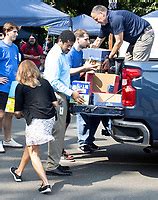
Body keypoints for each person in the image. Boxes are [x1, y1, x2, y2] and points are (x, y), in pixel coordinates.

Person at [10, 60, 58, 194]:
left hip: (36, 121)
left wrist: (18, 115)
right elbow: (55, 103)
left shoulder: (21, 87)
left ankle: (46, 183)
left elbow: (18, 112)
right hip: (49, 119)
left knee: (34, 152)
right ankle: (18, 171)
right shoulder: (45, 83)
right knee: (31, 145)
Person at [44, 30, 84, 176]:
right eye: (68, 45)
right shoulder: (55, 56)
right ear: (61, 41)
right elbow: (53, 81)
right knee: (58, 130)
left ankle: (54, 162)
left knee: (60, 131)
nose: (69, 48)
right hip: (58, 96)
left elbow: (64, 75)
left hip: (62, 95)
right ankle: (52, 165)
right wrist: (70, 92)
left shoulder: (61, 55)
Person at [67, 29, 108, 153]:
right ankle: (83, 142)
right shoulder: (70, 54)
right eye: (85, 39)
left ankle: (89, 140)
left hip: (84, 86)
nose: (88, 41)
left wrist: (88, 70)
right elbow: (68, 71)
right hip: (72, 88)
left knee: (94, 114)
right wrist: (84, 69)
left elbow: (81, 70)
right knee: (83, 114)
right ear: (77, 39)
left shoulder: (82, 53)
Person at [0, 22, 23, 153]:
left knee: (9, 114)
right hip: (1, 86)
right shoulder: (0, 46)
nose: (16, 34)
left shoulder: (15, 47)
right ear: (7, 32)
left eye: (16, 32)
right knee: (1, 114)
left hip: (13, 86)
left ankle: (8, 139)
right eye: (14, 31)